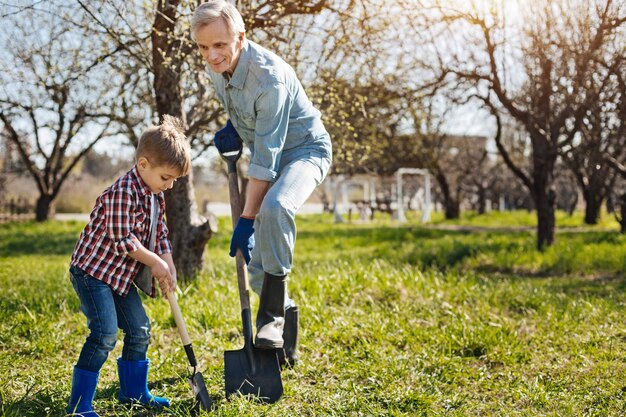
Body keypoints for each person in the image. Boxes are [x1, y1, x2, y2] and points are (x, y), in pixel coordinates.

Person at [191, 0, 332, 367]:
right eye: (203, 47)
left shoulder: (269, 78)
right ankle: (285, 334)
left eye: (219, 45)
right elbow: (241, 112)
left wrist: (247, 219)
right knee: (254, 261)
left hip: (303, 152)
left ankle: (270, 317)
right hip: (268, 155)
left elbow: (266, 161)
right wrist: (232, 127)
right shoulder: (216, 68)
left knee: (275, 208)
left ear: (240, 37)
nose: (211, 55)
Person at [65, 116, 191, 417]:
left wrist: (168, 266)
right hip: (93, 274)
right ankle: (79, 405)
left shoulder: (155, 196)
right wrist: (156, 262)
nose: (169, 186)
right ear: (144, 164)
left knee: (140, 329)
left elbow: (159, 234)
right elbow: (123, 239)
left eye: (174, 180)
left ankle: (133, 392)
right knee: (105, 333)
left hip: (119, 278)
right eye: (166, 177)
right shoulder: (122, 192)